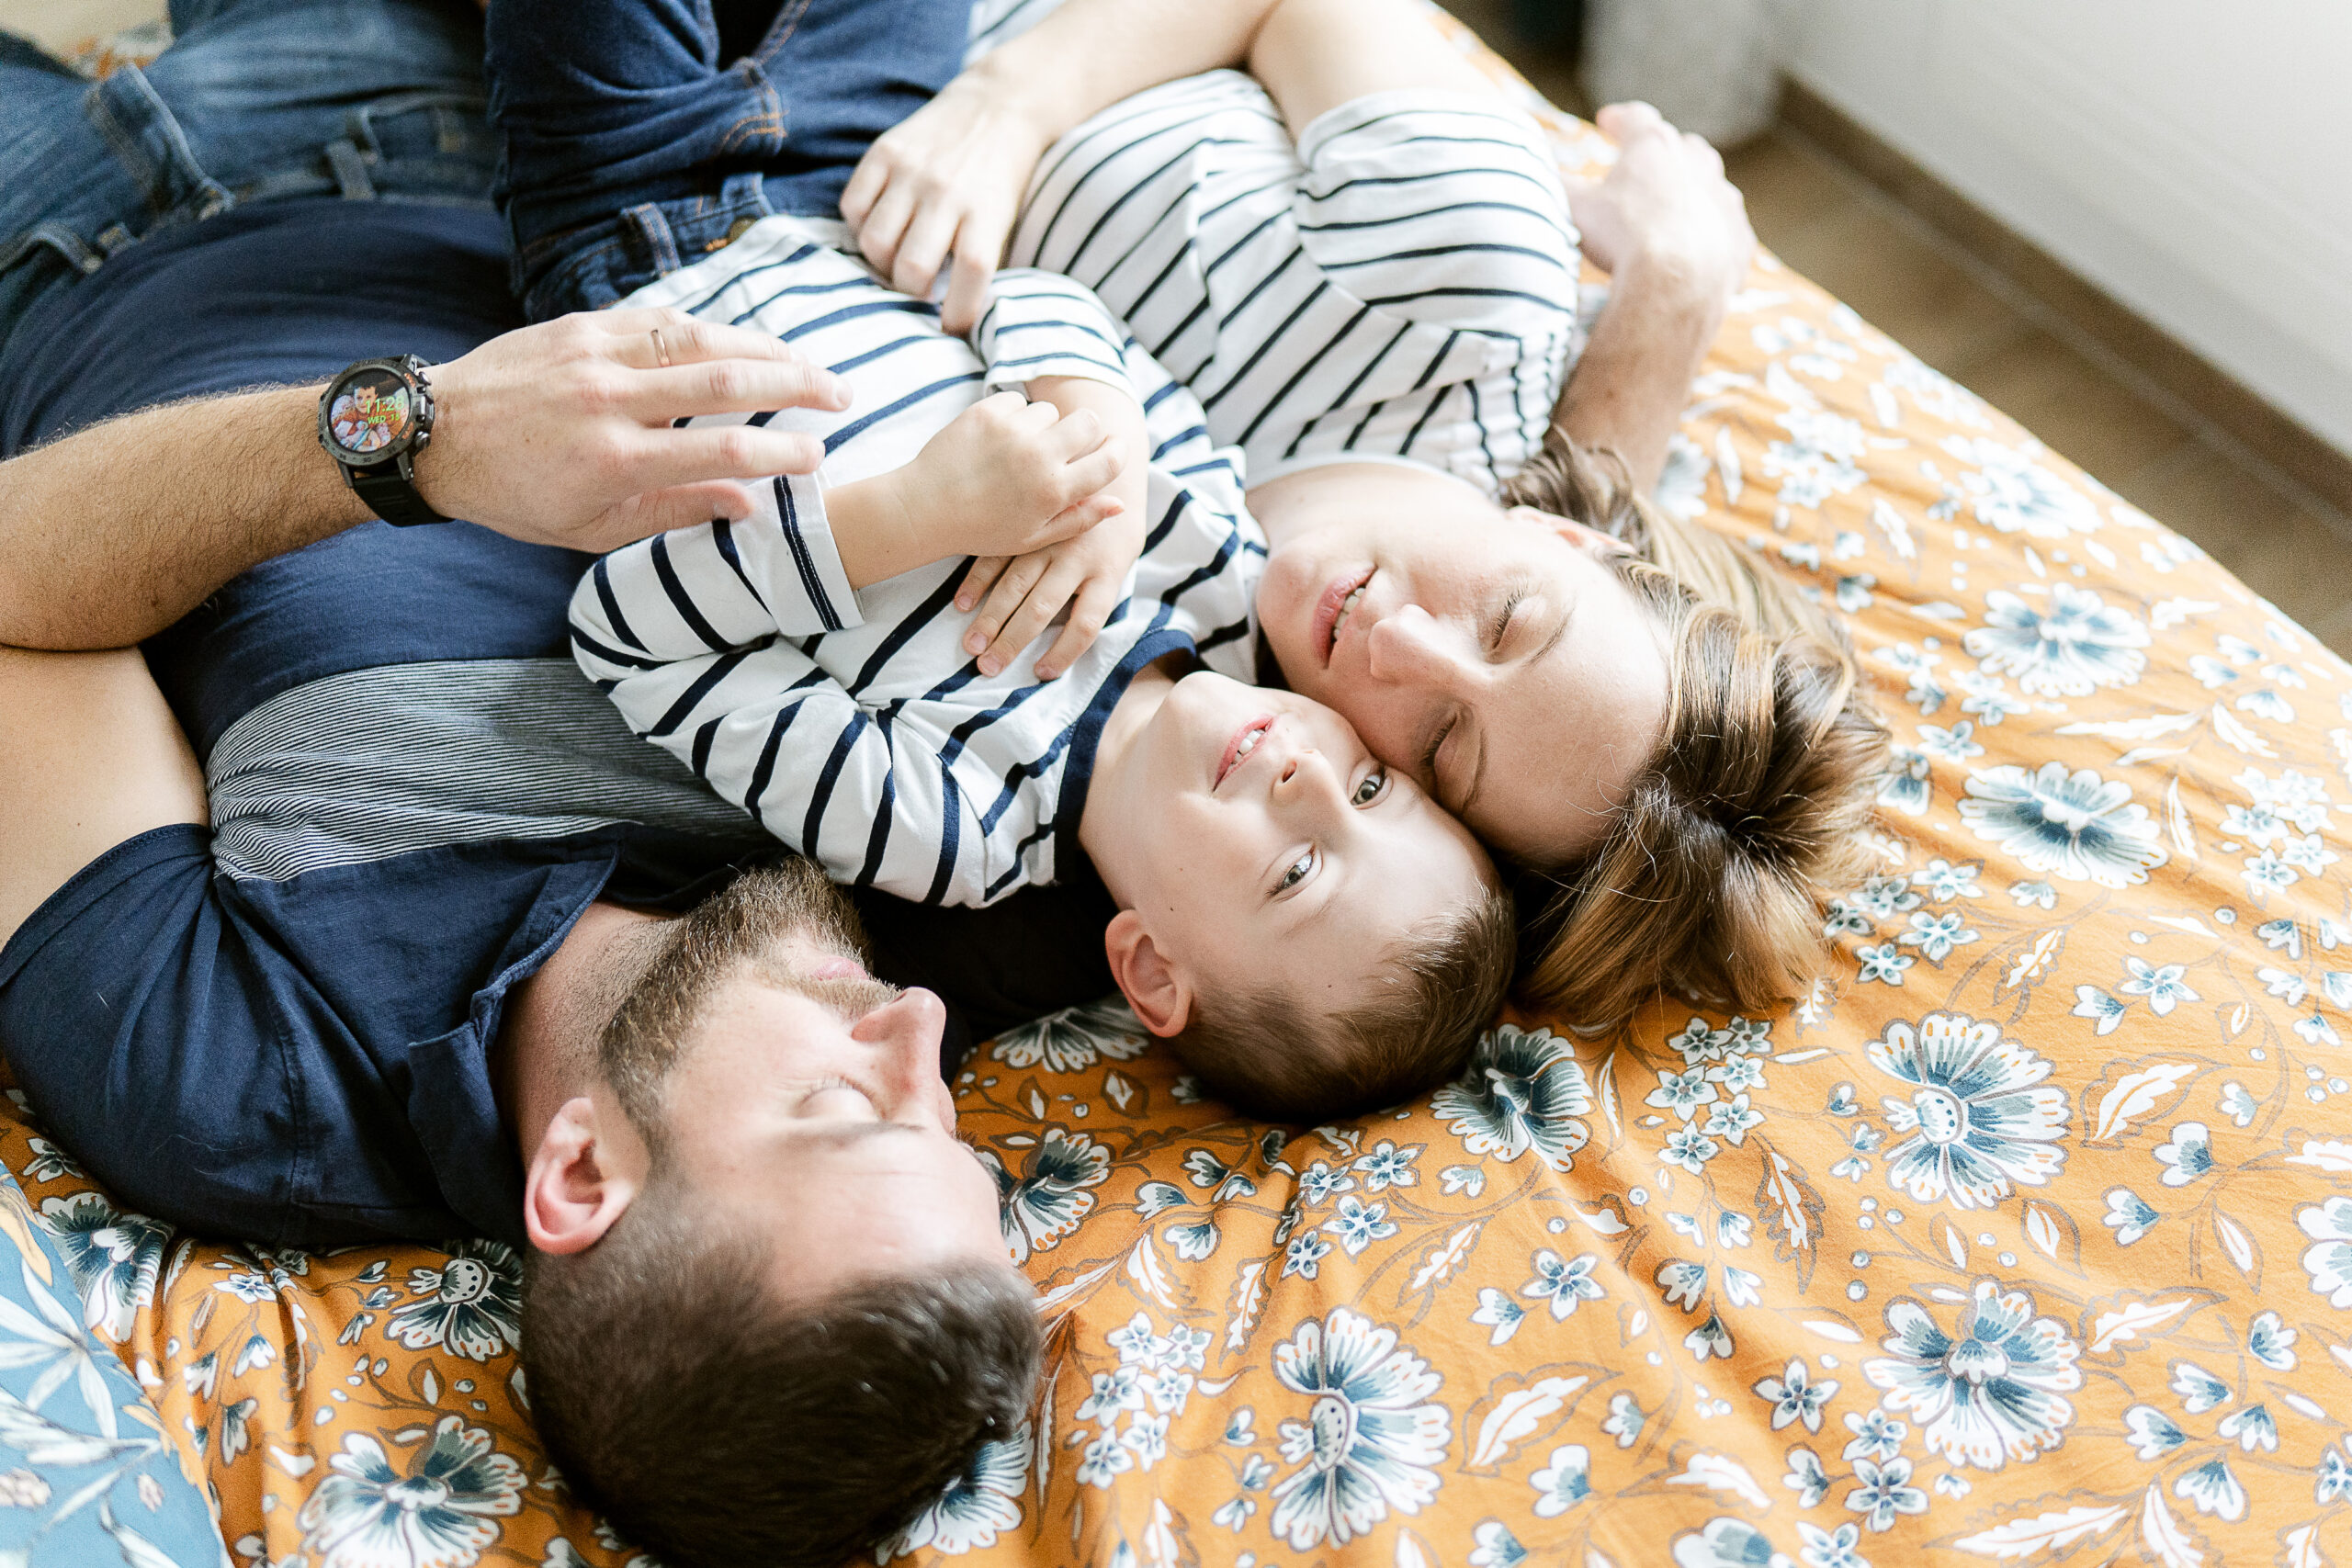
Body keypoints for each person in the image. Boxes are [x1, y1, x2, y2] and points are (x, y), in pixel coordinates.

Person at [0, 1, 1055, 1562]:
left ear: (579, 1173)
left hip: (56, 250)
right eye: (950, 1118)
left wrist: (414, 442)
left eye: (846, 1106)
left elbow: (11, 601)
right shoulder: (931, 871)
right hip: (449, 104)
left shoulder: (247, 1077)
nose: (919, 1030)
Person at [495, 2, 1513, 1126]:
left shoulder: (949, 824)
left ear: (1152, 971)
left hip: (628, 260)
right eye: (1374, 788)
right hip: (852, 175)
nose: (1311, 782)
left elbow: (632, 631)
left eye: (1296, 872)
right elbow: (1037, 296)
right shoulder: (1222, 575)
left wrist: (918, 514)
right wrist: (1095, 409)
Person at [845, 0, 1894, 1031]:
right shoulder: (1464, 281)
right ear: (1568, 539)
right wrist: (1013, 99)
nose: (1394, 643)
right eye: (1507, 621)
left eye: (1436, 749)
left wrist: (1668, 297)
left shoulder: (1213, 738)